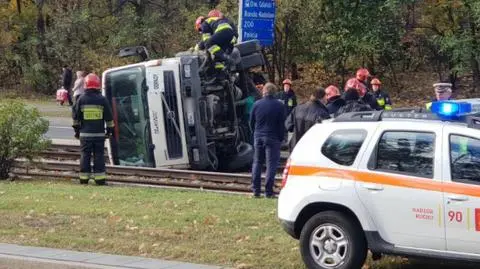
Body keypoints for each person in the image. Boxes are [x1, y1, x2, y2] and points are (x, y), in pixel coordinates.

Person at [72, 73, 115, 186]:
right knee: (99, 156)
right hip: (99, 135)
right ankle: (100, 179)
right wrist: (109, 131)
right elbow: (109, 118)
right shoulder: (102, 100)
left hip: (85, 135)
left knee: (85, 156)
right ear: (98, 86)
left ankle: (84, 179)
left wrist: (77, 131)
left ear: (85, 85)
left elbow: (76, 118)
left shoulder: (81, 99)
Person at [249, 82, 286, 198]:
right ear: (274, 93)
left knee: (257, 163)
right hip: (273, 137)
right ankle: (268, 192)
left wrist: (254, 134)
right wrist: (281, 138)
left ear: (264, 91)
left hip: (258, 136)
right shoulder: (279, 106)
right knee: (271, 165)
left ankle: (256, 190)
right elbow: (281, 124)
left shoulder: (256, 104)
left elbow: (251, 122)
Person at [194, 13, 237, 81]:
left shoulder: (204, 23)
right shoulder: (213, 21)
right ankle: (220, 75)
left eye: (200, 29)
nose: (201, 31)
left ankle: (228, 59)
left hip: (223, 31)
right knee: (218, 57)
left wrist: (198, 47)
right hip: (229, 33)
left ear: (200, 24)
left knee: (208, 44)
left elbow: (206, 41)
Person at [285, 87, 331, 151]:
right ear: (323, 97)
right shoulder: (322, 113)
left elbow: (288, 125)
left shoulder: (298, 108)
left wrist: (297, 129)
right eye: (326, 96)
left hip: (295, 146)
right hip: (311, 149)